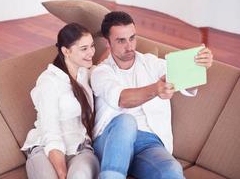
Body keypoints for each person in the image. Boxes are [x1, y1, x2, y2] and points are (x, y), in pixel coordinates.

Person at [90, 11, 213, 179]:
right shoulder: (100, 72)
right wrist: (156, 89)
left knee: (172, 171)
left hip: (148, 144)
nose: (130, 46)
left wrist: (200, 65)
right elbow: (122, 99)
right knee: (127, 121)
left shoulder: (151, 63)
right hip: (111, 140)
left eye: (132, 38)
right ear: (108, 43)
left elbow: (182, 78)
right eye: (121, 40)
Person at [21, 23, 99, 179]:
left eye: (92, 46)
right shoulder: (49, 82)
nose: (91, 52)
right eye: (84, 49)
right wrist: (62, 174)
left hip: (80, 148)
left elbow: (109, 68)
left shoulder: (86, 73)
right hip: (46, 147)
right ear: (66, 51)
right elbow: (51, 132)